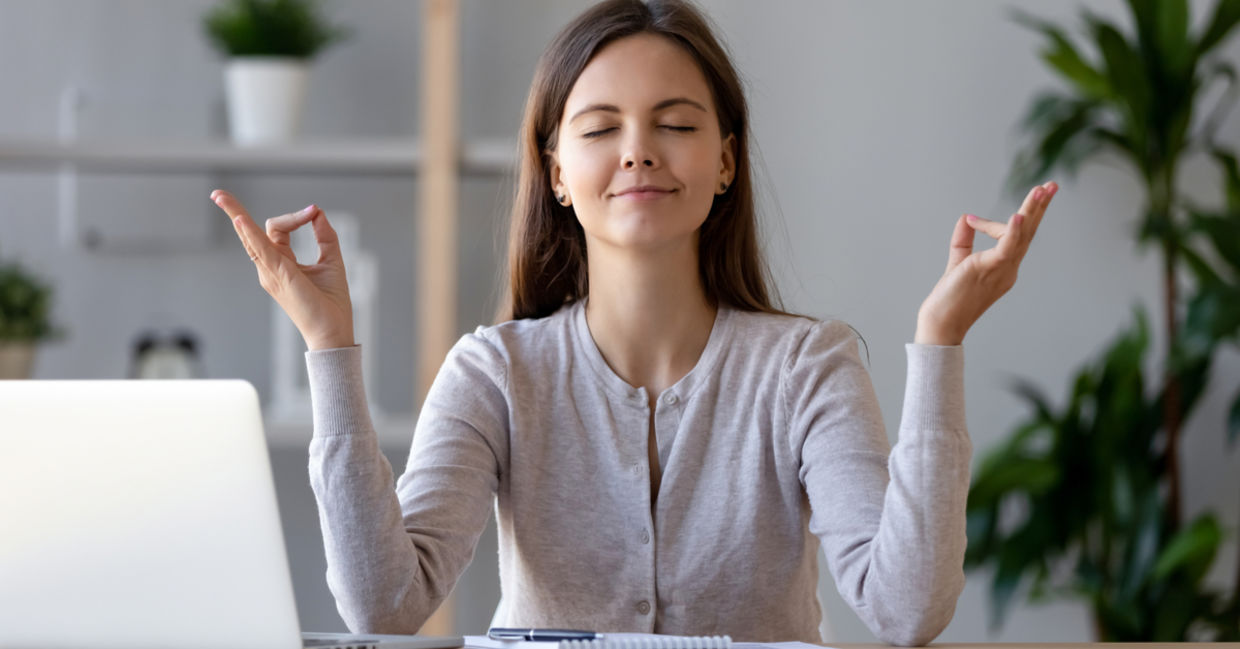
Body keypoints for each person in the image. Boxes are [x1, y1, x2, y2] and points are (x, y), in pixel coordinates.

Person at [209, 0, 1057, 645]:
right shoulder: (496, 372)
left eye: (676, 124)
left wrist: (940, 342)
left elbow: (907, 609)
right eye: (601, 128)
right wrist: (330, 348)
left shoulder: (807, 365)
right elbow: (385, 605)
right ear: (558, 174)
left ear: (725, 160)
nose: (638, 150)